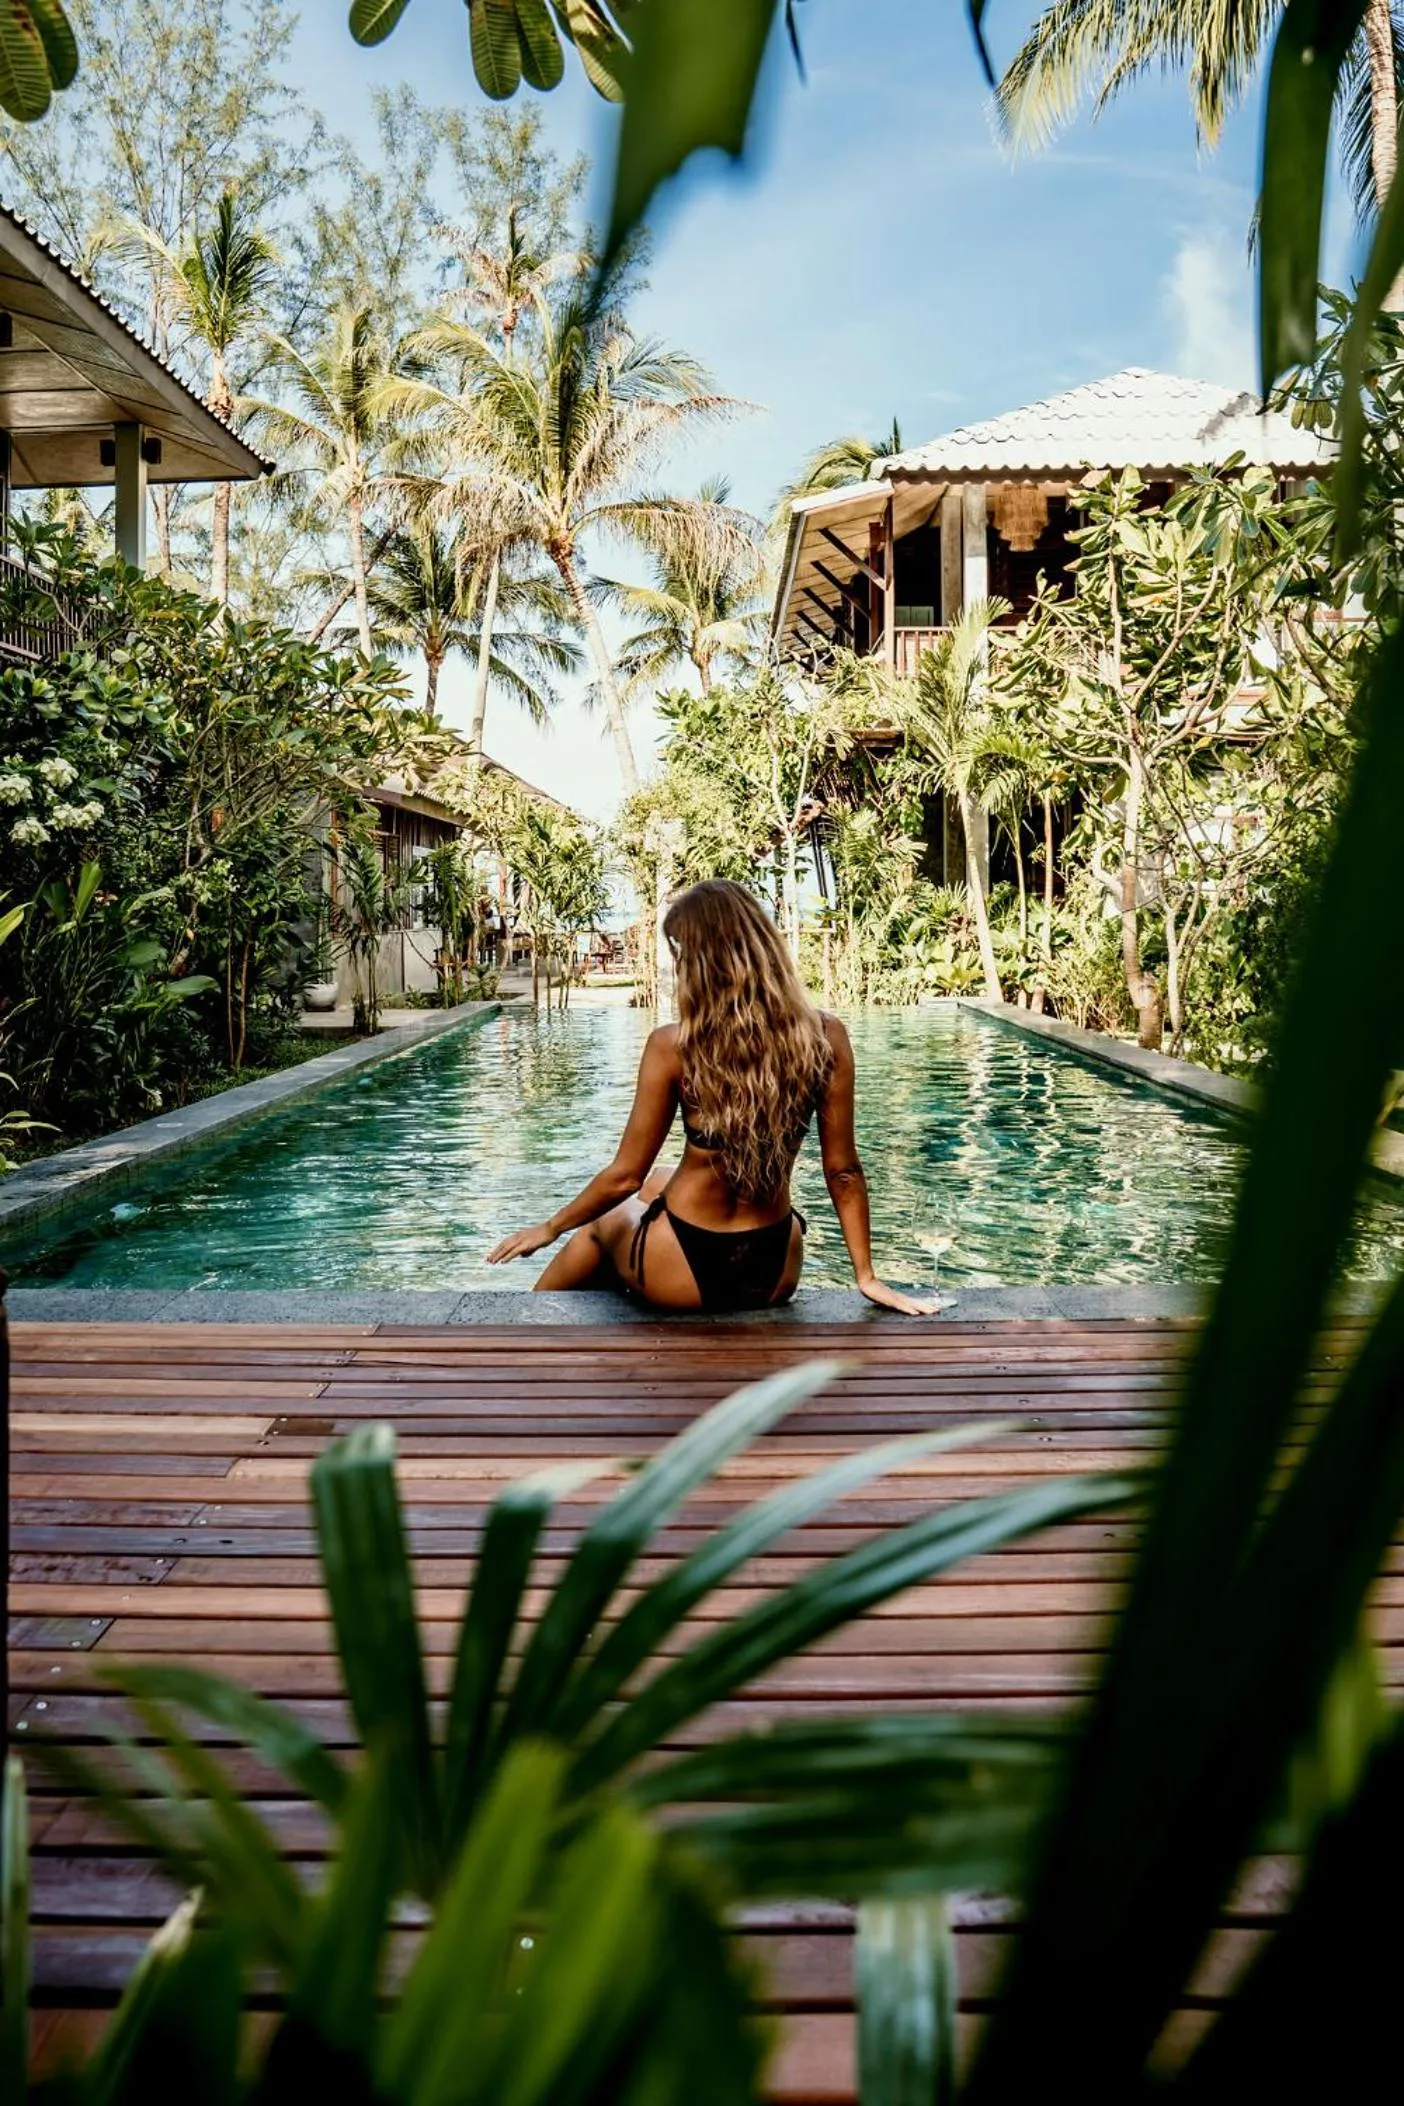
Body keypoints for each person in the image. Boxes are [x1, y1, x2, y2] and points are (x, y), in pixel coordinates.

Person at [487, 879, 941, 1316]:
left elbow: (623, 1177)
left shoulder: (674, 1046)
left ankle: (524, 1325)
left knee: (603, 1224)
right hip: (775, 1267)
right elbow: (842, 1170)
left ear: (702, 961)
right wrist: (867, 1277)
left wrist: (548, 1228)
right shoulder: (825, 1036)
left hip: (680, 1269)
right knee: (659, 1180)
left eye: (681, 954)